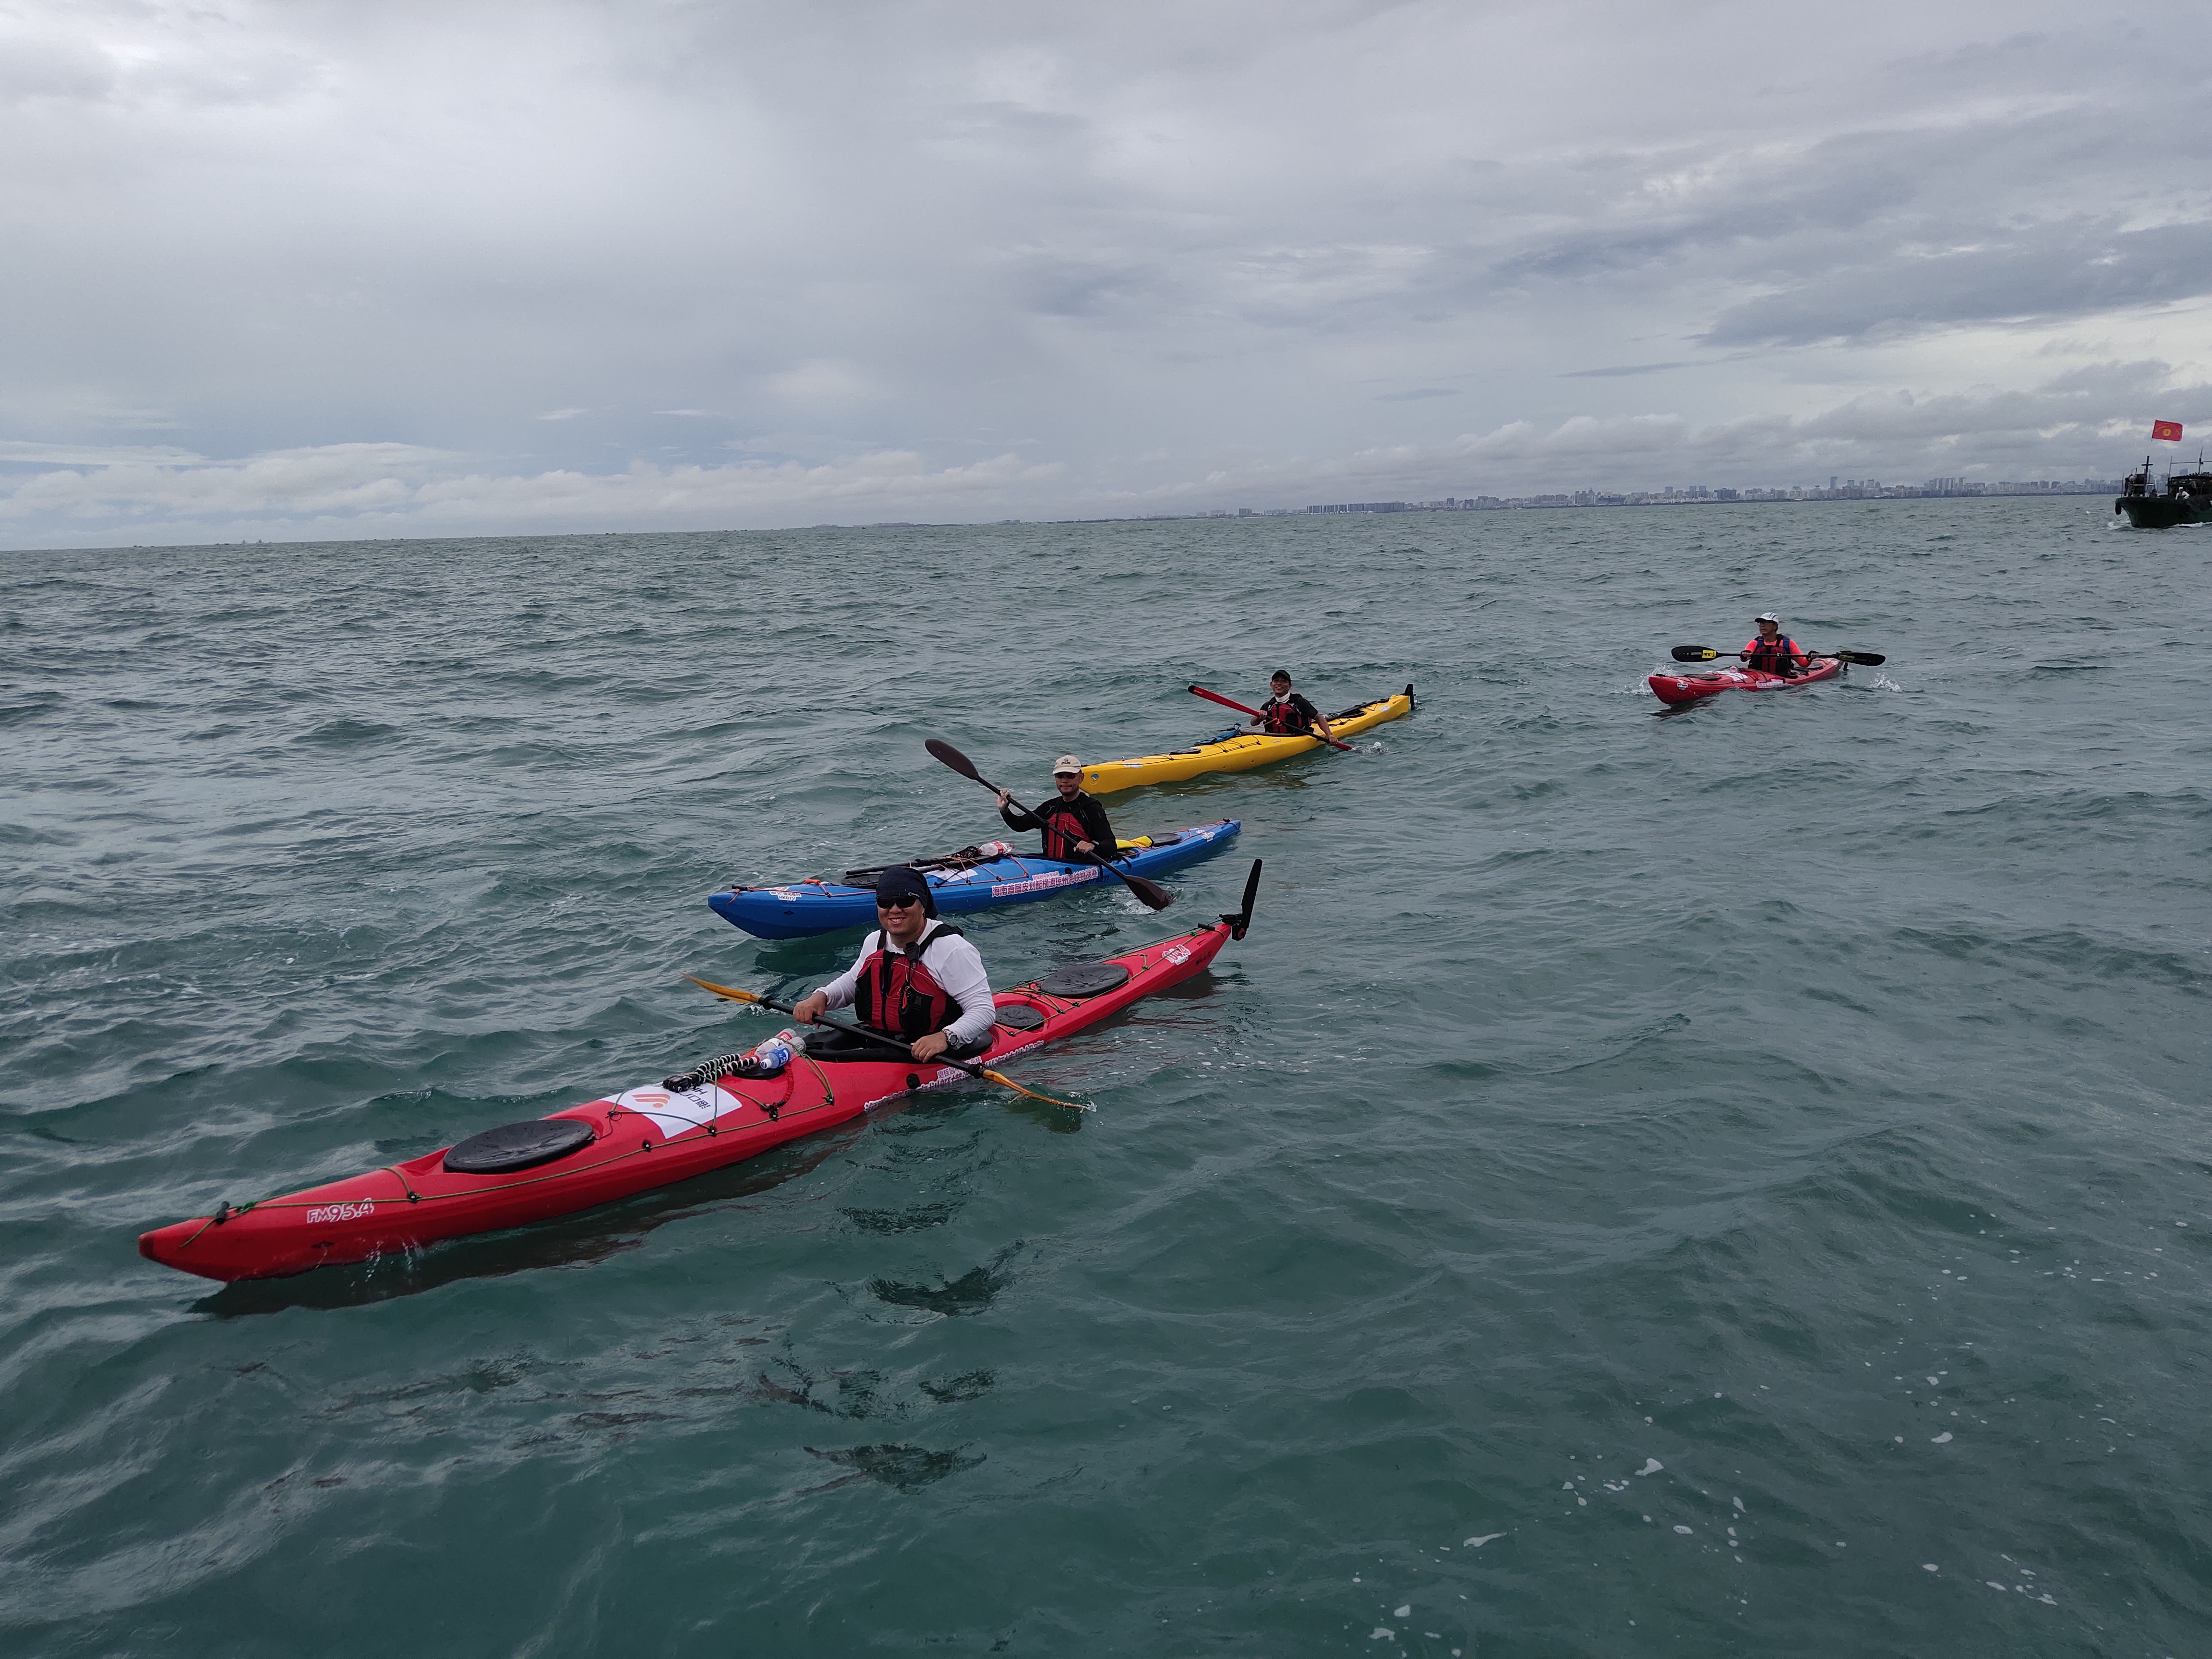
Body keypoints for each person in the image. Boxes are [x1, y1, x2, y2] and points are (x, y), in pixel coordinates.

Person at [791, 866, 995, 1062]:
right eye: (886, 902)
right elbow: (854, 982)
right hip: (881, 1038)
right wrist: (822, 997)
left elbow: (983, 1010)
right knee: (809, 1047)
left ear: (923, 905)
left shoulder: (951, 948)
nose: (895, 910)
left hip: (931, 1048)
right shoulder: (875, 941)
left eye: (905, 901)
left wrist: (945, 1037)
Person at [996, 755, 1122, 864]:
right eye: (1060, 776)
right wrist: (1005, 811)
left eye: (1070, 776)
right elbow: (1020, 825)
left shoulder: (1092, 809)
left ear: (1081, 778)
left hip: (1083, 867)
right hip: (1054, 865)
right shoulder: (1050, 807)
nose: (1065, 780)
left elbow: (1111, 845)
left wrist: (1092, 846)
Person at [1249, 670, 1334, 742]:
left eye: (1283, 681)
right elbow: (1253, 723)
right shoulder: (1268, 705)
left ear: (1290, 686)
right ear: (1271, 685)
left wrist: (1329, 735)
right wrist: (1259, 717)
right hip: (1273, 739)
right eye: (1276, 681)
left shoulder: (1299, 702)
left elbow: (1319, 718)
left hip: (1297, 738)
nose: (1279, 683)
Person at [1743, 613, 1811, 677]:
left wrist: (1810, 658)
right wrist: (1745, 655)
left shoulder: (1787, 644)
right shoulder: (1755, 643)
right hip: (1757, 677)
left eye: (1766, 623)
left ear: (1775, 626)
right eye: (1760, 623)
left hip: (1781, 677)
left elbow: (1804, 664)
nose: (1762, 625)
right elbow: (1744, 658)